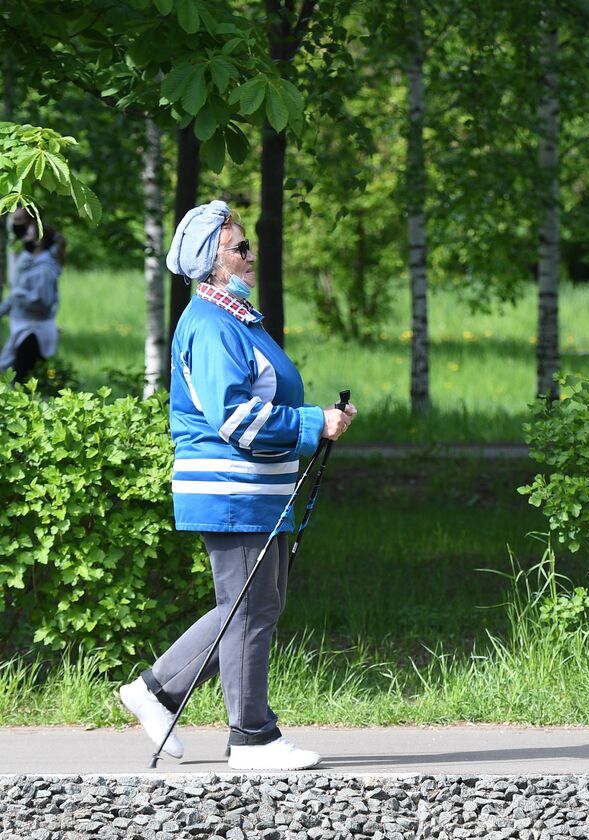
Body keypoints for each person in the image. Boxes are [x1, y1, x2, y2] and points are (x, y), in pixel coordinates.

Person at [118, 200, 356, 771]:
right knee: (248, 607)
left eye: (250, 247)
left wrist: (316, 420)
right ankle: (251, 737)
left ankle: (156, 691)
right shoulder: (210, 324)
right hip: (231, 489)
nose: (251, 258)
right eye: (241, 249)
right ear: (212, 261)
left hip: (257, 490)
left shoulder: (235, 320)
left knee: (252, 605)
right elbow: (235, 418)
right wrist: (311, 424)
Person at [0, 206, 65, 383]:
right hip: (24, 328)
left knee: (24, 379)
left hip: (34, 331)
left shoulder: (44, 270)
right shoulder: (29, 263)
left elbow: (42, 301)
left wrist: (19, 295)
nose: (24, 237)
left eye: (29, 234)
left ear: (39, 241)